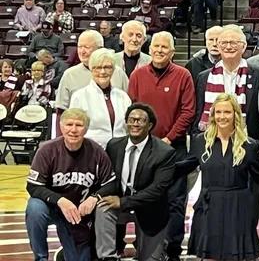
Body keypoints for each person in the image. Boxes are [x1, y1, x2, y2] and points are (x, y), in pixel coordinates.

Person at [127, 32, 196, 261]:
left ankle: (173, 249)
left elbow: (188, 112)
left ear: (172, 52)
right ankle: (145, 246)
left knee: (175, 201)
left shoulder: (183, 75)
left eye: (164, 47)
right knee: (145, 199)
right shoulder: (137, 75)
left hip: (173, 148)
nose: (159, 50)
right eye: (156, 46)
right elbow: (133, 111)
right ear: (150, 48)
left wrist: (167, 139)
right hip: (144, 149)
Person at [176, 93, 259, 260]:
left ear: (235, 114)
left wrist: (255, 209)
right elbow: (183, 167)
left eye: (227, 112)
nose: (222, 117)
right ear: (213, 114)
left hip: (239, 208)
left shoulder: (250, 146)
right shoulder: (200, 142)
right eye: (218, 112)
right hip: (209, 207)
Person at [25, 108, 116, 261]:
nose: (73, 130)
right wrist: (60, 200)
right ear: (61, 126)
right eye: (69, 124)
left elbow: (111, 184)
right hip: (53, 207)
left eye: (79, 125)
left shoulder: (97, 151)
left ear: (86, 129)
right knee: (34, 208)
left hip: (79, 214)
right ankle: (40, 257)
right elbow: (33, 186)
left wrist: (94, 197)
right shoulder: (47, 150)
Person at [94, 103, 176, 261]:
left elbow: (157, 190)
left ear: (150, 125)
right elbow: (107, 179)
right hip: (119, 204)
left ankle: (158, 250)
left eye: (141, 120)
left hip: (149, 207)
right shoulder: (114, 145)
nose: (135, 123)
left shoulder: (164, 153)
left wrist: (123, 202)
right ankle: (107, 257)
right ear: (126, 122)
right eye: (131, 119)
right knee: (102, 207)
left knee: (150, 258)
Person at [194, 25, 259, 140]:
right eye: (224, 43)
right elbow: (198, 113)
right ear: (218, 46)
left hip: (248, 142)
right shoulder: (204, 77)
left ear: (243, 47)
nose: (228, 47)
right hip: (212, 142)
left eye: (233, 43)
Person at [69, 48, 132, 149]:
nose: (102, 72)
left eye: (107, 67)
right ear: (91, 69)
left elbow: (128, 128)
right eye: (97, 67)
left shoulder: (123, 97)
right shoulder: (79, 96)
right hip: (92, 153)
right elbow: (74, 130)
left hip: (120, 152)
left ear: (113, 69)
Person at [56, 30, 129, 111]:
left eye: (87, 47)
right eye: (80, 47)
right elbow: (61, 110)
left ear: (100, 49)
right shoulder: (69, 74)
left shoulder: (117, 72)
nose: (82, 51)